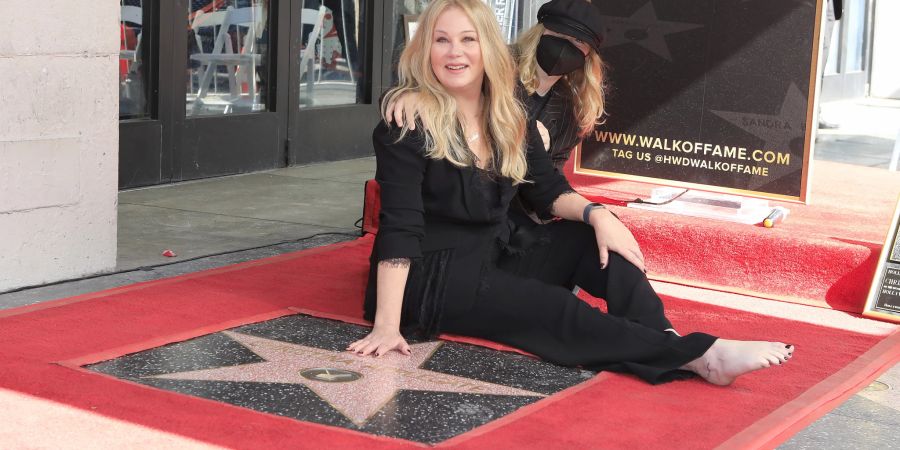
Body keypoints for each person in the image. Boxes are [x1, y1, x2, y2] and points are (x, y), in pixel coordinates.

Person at [347, 0, 794, 386]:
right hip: (433, 277)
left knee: (594, 243)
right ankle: (706, 357)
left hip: (495, 251)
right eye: (441, 40)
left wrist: (600, 214)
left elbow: (547, 189)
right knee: (554, 308)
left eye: (468, 40)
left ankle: (665, 338)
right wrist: (387, 324)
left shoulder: (508, 114)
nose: (455, 52)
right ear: (424, 50)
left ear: (488, 48)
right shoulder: (407, 120)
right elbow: (400, 225)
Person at [387, 0, 605, 171]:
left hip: (518, 209)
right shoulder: (493, 63)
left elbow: (549, 186)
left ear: (588, 56)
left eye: (578, 42)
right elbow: (441, 81)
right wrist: (413, 94)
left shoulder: (573, 110)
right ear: (539, 33)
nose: (564, 46)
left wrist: (540, 153)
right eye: (558, 34)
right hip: (453, 183)